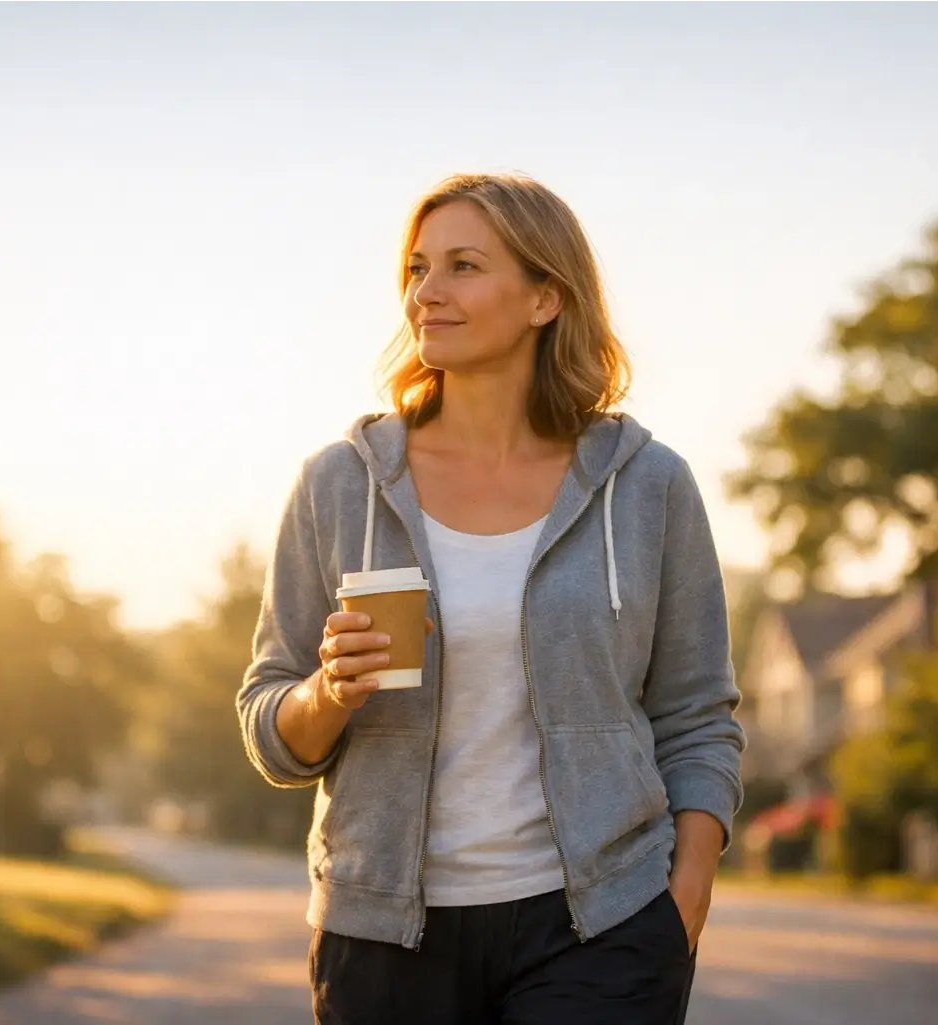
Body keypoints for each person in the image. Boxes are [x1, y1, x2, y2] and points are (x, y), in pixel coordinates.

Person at [237, 172, 745, 1025]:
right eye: (416, 267)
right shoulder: (340, 485)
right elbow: (267, 723)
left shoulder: (646, 485)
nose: (425, 293)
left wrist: (683, 895)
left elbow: (697, 714)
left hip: (600, 926)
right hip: (383, 933)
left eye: (462, 266)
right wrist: (328, 691)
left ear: (545, 296)